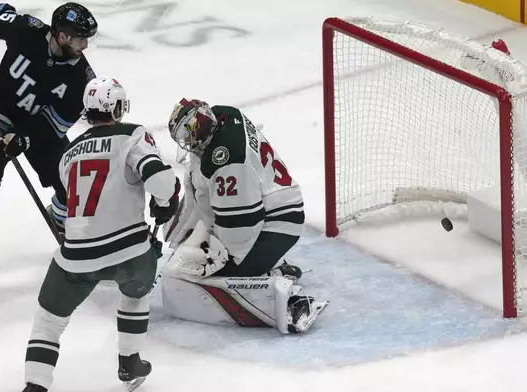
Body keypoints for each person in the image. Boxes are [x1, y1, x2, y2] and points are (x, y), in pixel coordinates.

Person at [20, 77, 180, 392]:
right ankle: (129, 362)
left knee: (48, 322)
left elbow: (67, 208)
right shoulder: (131, 135)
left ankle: (35, 385)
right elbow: (161, 183)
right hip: (131, 254)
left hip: (76, 257)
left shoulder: (69, 154)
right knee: (135, 295)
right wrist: (165, 205)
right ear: (118, 107)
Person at [0, 1, 98, 293]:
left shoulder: (80, 80)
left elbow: (54, 126)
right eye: (79, 38)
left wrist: (24, 138)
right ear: (62, 36)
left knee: (70, 179)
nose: (85, 45)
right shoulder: (26, 30)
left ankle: (59, 220)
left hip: (35, 130)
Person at [160, 99, 328, 334]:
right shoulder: (224, 117)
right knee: (206, 253)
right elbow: (203, 192)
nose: (188, 144)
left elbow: (242, 224)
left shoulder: (228, 160)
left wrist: (223, 259)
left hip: (278, 222)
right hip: (275, 205)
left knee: (221, 272)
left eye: (189, 136)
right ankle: (270, 265)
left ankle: (287, 294)